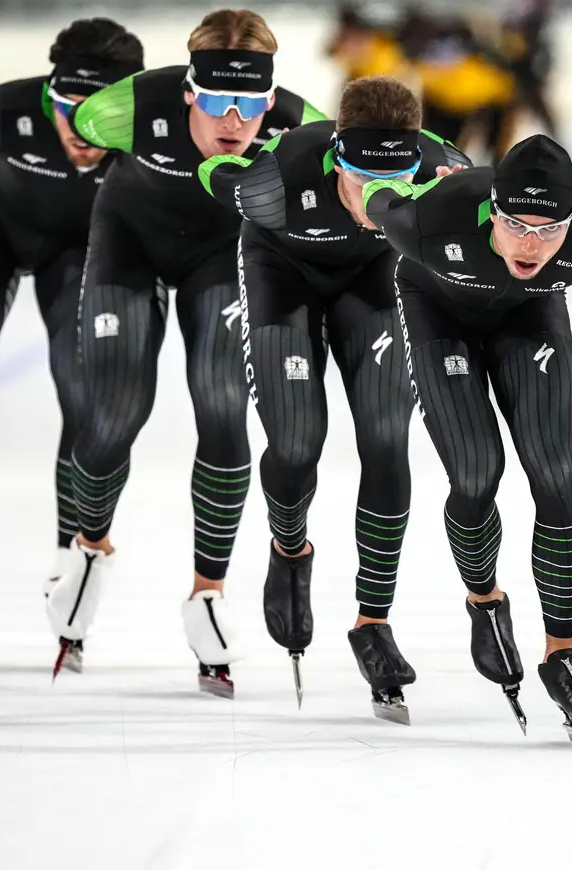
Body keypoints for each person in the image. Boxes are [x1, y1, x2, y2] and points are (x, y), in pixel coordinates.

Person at [45, 9, 326, 692]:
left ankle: (208, 595)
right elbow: (73, 129)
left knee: (225, 411)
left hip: (221, 257)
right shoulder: (129, 106)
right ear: (188, 91)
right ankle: (91, 544)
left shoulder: (300, 128)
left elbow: (355, 179)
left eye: (250, 103)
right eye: (219, 99)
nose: (234, 120)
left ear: (270, 99)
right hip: (129, 246)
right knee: (111, 416)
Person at [198, 74, 471, 722]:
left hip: (374, 282)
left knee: (386, 438)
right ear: (336, 157)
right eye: (361, 175)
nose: (377, 194)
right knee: (296, 446)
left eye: (396, 176)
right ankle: (289, 550)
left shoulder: (443, 169)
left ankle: (373, 621)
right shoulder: (277, 178)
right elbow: (215, 173)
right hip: (281, 276)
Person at [361, 135, 572, 748]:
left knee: (555, 477)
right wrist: (392, 184)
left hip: (531, 318)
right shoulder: (431, 219)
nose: (531, 244)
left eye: (549, 229)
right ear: (491, 210)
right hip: (437, 312)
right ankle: (485, 601)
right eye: (515, 225)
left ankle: (562, 656)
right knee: (476, 472)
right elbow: (376, 197)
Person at [0, 18, 144, 599]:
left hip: (79, 251)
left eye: (97, 115)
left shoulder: (153, 126)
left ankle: (70, 553)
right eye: (65, 107)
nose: (79, 129)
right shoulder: (2, 111)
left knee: (85, 390)